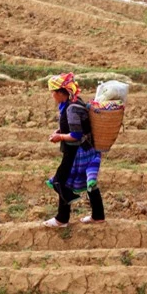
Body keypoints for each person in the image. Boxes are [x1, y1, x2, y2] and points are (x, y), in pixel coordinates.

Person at [43, 73, 106, 228]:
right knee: (90, 183)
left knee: (61, 181)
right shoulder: (75, 101)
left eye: (53, 92)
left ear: (60, 93)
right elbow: (76, 126)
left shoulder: (71, 109)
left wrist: (60, 137)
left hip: (77, 152)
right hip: (87, 149)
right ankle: (98, 216)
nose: (52, 95)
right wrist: (60, 131)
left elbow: (76, 135)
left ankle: (62, 219)